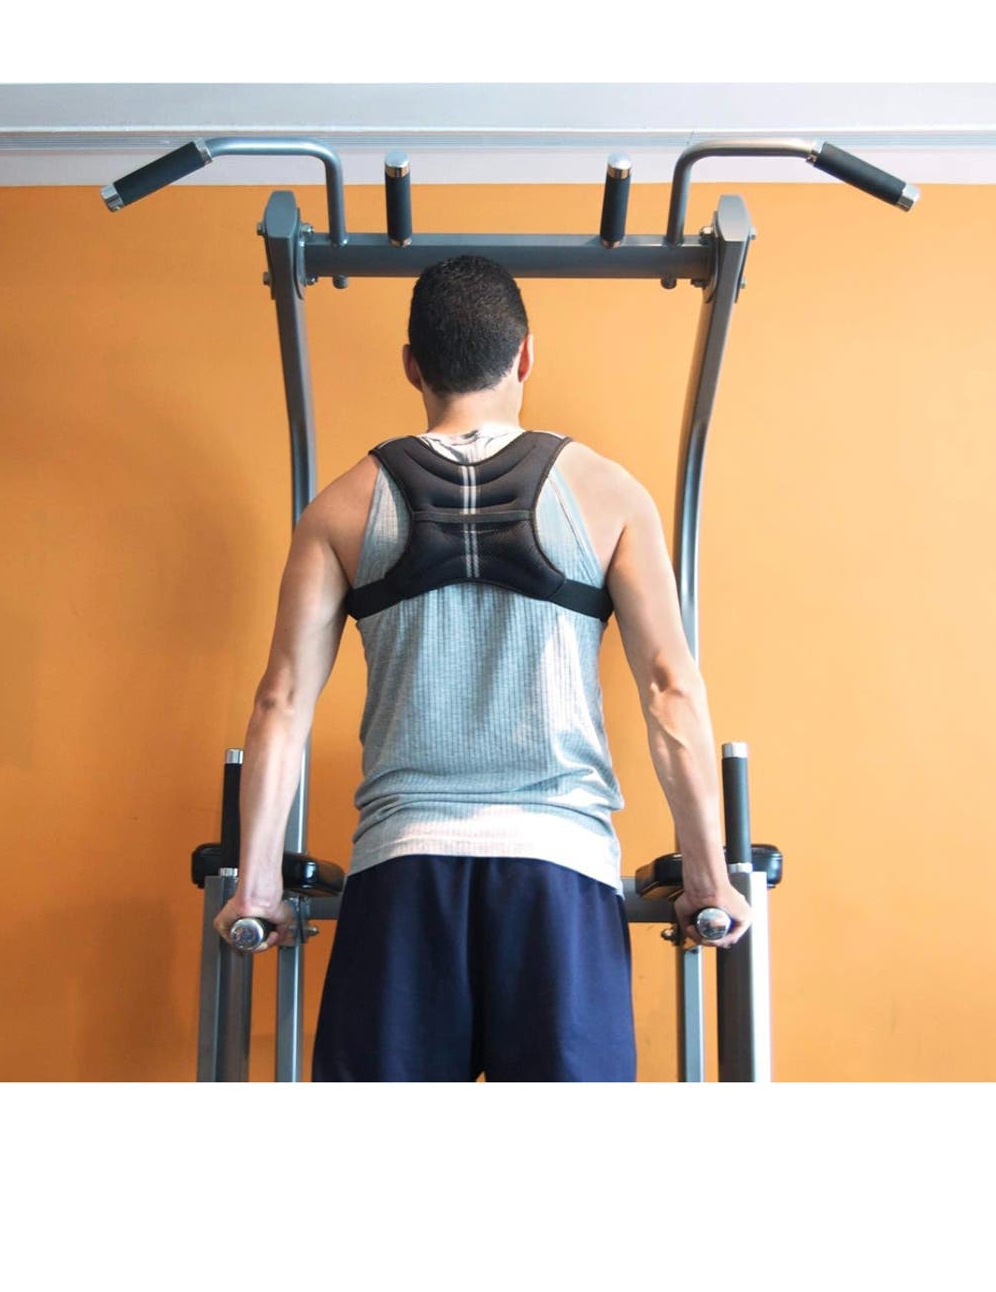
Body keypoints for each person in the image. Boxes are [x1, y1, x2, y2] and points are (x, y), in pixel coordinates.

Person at [213, 254, 752, 1081]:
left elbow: (281, 702)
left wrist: (255, 886)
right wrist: (709, 879)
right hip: (558, 879)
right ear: (525, 355)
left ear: (412, 365)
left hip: (401, 877)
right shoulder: (609, 493)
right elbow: (669, 688)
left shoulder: (341, 507)